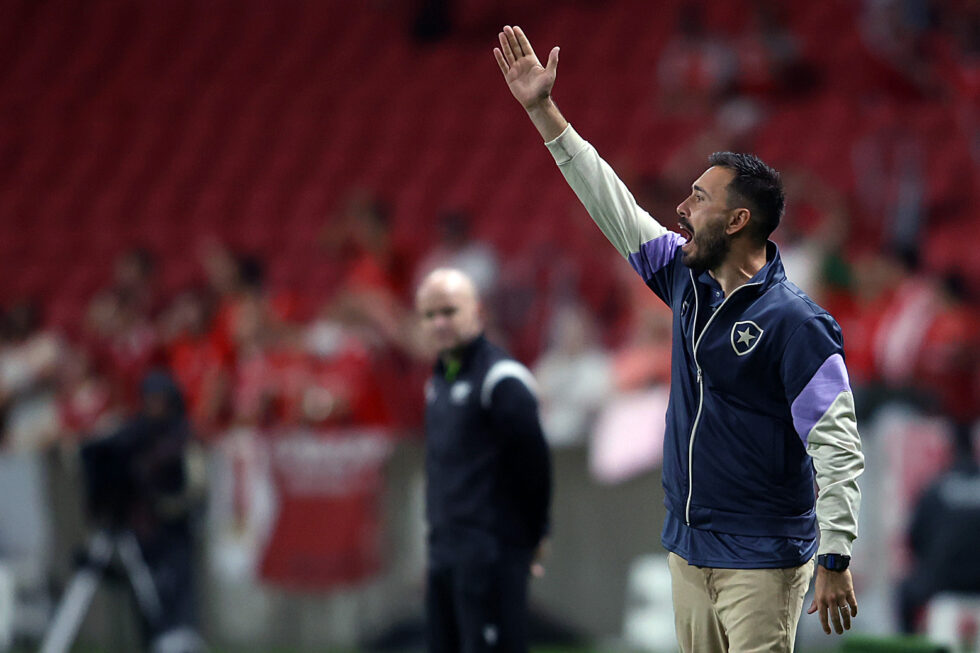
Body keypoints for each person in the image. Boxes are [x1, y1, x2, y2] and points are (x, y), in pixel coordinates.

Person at [493, 25, 864, 650]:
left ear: (739, 220)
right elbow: (610, 201)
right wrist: (543, 110)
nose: (681, 209)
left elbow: (837, 443)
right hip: (689, 547)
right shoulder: (684, 278)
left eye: (698, 198)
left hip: (764, 555)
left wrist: (836, 553)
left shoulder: (796, 323)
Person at [416, 268, 551, 653]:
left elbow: (534, 466)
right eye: (429, 315)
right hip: (445, 553)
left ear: (476, 311)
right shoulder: (439, 380)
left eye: (449, 311)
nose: (439, 323)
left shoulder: (502, 380)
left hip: (492, 552)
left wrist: (535, 534)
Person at [898, 424, 980, 633]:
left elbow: (914, 539)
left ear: (949, 450)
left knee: (904, 591)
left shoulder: (934, 488)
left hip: (940, 584)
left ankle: (910, 644)